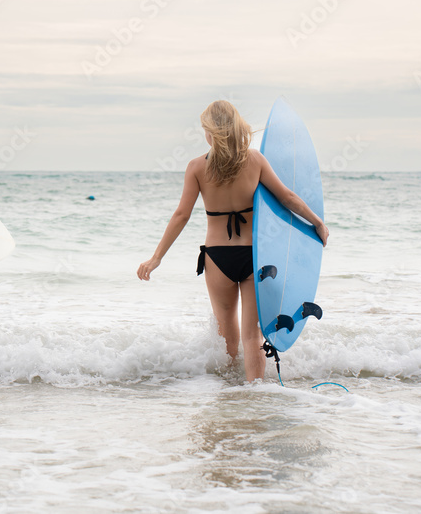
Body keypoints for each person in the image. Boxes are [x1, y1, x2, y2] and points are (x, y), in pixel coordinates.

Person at [137, 100, 328, 381]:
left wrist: (157, 258)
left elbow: (181, 215)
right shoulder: (255, 160)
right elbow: (287, 198)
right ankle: (255, 393)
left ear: (211, 133)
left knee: (227, 334)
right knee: (252, 336)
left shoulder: (196, 167)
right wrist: (317, 223)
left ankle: (229, 398)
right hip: (254, 257)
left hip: (217, 258)